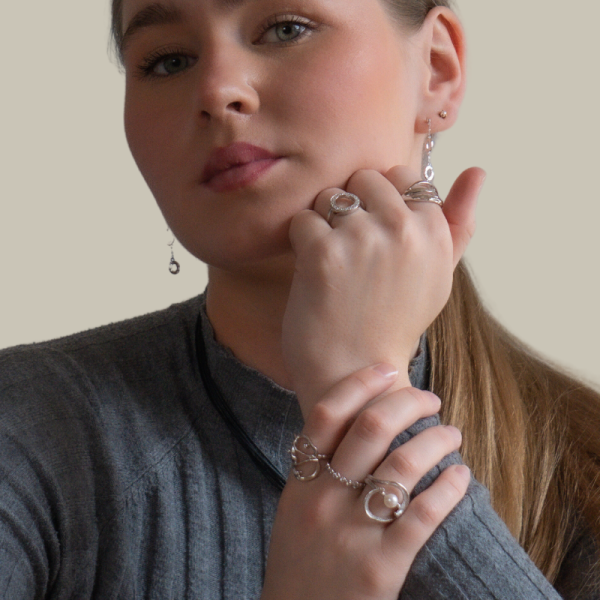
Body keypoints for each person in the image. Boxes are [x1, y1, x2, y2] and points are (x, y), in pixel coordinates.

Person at [0, 0, 598, 599]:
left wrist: (363, 391)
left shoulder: (585, 462)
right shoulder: (26, 429)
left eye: (286, 29)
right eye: (169, 61)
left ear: (437, 68)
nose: (217, 90)